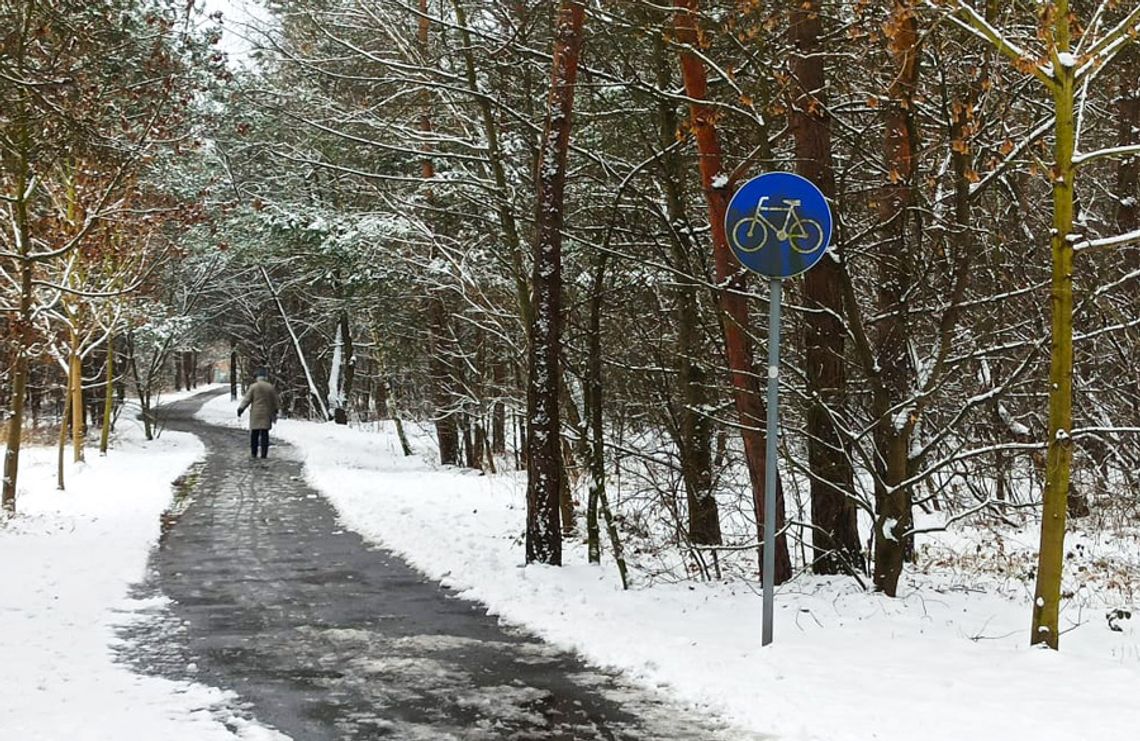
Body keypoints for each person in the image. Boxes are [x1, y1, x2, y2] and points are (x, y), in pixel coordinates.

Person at [237, 369, 280, 459]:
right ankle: (264, 454)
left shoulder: (253, 387)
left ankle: (254, 453)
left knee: (255, 434)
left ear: (257, 377)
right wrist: (276, 410)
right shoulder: (270, 387)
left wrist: (241, 408)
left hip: (256, 413)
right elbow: (275, 401)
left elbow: (247, 399)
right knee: (265, 434)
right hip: (266, 413)